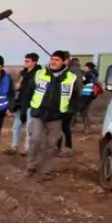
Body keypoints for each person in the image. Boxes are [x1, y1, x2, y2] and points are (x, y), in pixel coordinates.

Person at [27, 50, 82, 180]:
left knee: (51, 145)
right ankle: (31, 166)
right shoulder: (40, 74)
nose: (53, 62)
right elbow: (29, 92)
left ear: (64, 62)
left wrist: (70, 111)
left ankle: (45, 171)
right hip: (38, 114)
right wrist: (25, 109)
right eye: (52, 59)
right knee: (34, 140)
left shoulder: (70, 78)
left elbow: (75, 98)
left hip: (57, 117)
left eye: (57, 60)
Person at [5, 52, 40, 156]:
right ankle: (14, 147)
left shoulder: (38, 74)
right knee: (16, 126)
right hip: (20, 103)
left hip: (31, 104)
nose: (26, 62)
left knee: (29, 127)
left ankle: (27, 149)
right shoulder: (23, 73)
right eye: (25, 60)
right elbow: (18, 88)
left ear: (34, 62)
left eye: (28, 61)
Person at [75, 61, 99, 132]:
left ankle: (87, 128)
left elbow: (82, 81)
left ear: (88, 67)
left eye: (85, 66)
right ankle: (88, 128)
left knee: (82, 111)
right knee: (85, 112)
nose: (84, 68)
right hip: (90, 95)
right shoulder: (93, 74)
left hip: (86, 95)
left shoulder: (87, 75)